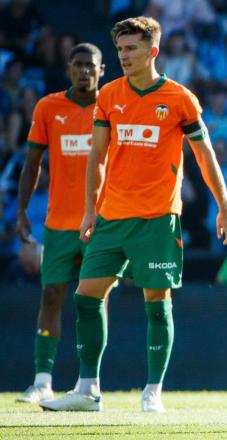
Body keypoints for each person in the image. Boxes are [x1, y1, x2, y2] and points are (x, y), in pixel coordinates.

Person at [39, 16, 227, 413]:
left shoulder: (180, 98)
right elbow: (97, 155)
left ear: (153, 51)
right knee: (85, 297)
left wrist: (225, 206)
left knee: (156, 300)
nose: (124, 56)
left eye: (131, 49)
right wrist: (90, 210)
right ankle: (88, 389)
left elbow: (205, 155)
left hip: (157, 217)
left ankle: (153, 391)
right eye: (120, 49)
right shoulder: (109, 95)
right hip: (111, 216)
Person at [14, 43, 105, 404]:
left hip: (101, 223)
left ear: (103, 70)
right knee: (51, 295)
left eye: (90, 66)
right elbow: (32, 163)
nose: (84, 71)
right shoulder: (48, 107)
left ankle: (90, 383)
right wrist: (22, 211)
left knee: (93, 302)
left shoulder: (112, 106)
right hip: (59, 224)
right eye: (78, 65)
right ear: (68, 67)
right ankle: (42, 380)